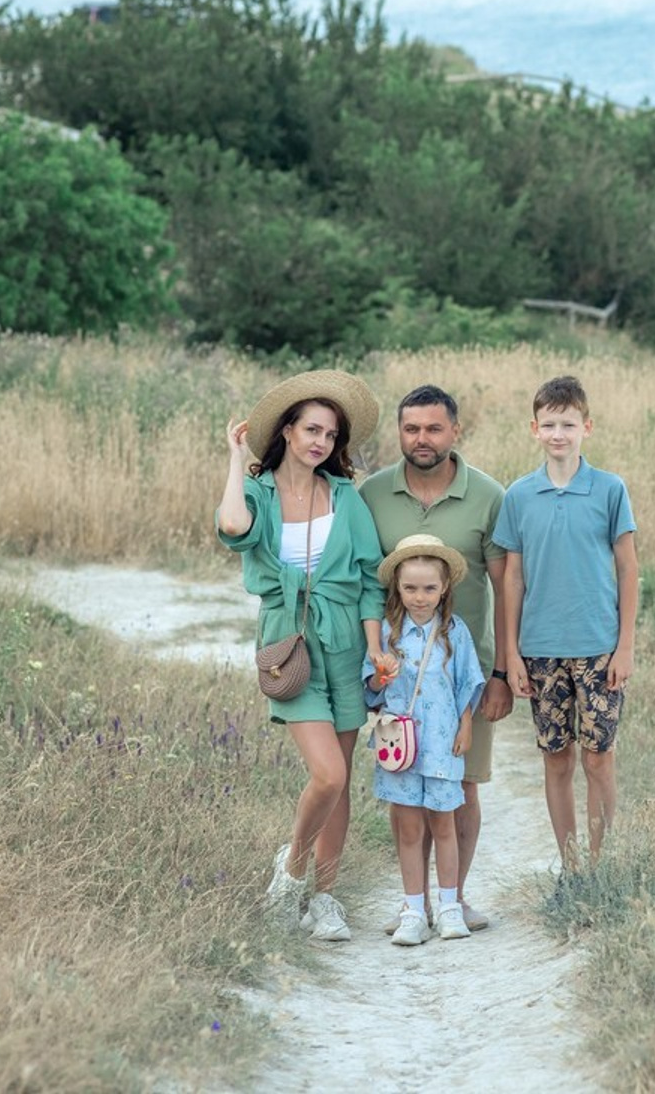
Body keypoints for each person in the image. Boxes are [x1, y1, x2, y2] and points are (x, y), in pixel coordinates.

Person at [216, 369, 386, 941]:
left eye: (331, 435)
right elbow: (233, 527)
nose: (321, 442)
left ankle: (326, 898)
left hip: (343, 643)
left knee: (340, 780)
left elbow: (368, 581)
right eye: (311, 429)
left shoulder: (344, 497)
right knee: (327, 772)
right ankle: (289, 875)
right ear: (287, 431)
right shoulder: (260, 493)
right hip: (289, 643)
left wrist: (375, 651)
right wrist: (237, 459)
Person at [359, 384, 510, 931]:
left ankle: (454, 900)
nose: (422, 439)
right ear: (400, 433)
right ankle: (412, 905)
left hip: (461, 678)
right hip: (394, 681)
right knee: (404, 793)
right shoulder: (372, 495)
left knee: (461, 786)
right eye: (411, 429)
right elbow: (361, 581)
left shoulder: (489, 496)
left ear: (455, 431)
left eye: (433, 428)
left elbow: (505, 586)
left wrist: (501, 672)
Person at [493, 375, 638, 868]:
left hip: (598, 645)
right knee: (557, 757)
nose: (559, 433)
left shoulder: (609, 489)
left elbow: (627, 567)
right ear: (534, 429)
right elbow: (512, 578)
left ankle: (600, 864)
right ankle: (571, 865)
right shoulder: (519, 496)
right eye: (550, 424)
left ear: (587, 427)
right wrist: (511, 653)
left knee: (599, 757)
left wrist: (625, 645)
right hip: (540, 647)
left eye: (569, 424)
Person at [365, 534, 486, 946]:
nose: (420, 597)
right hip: (400, 746)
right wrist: (381, 676)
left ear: (445, 587)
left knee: (445, 823)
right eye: (410, 588)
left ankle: (450, 906)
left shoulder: (455, 632)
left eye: (429, 588)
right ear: (398, 588)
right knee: (410, 829)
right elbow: (373, 687)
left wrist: (466, 724)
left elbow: (466, 682)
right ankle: (414, 909)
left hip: (441, 744)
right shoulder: (387, 632)